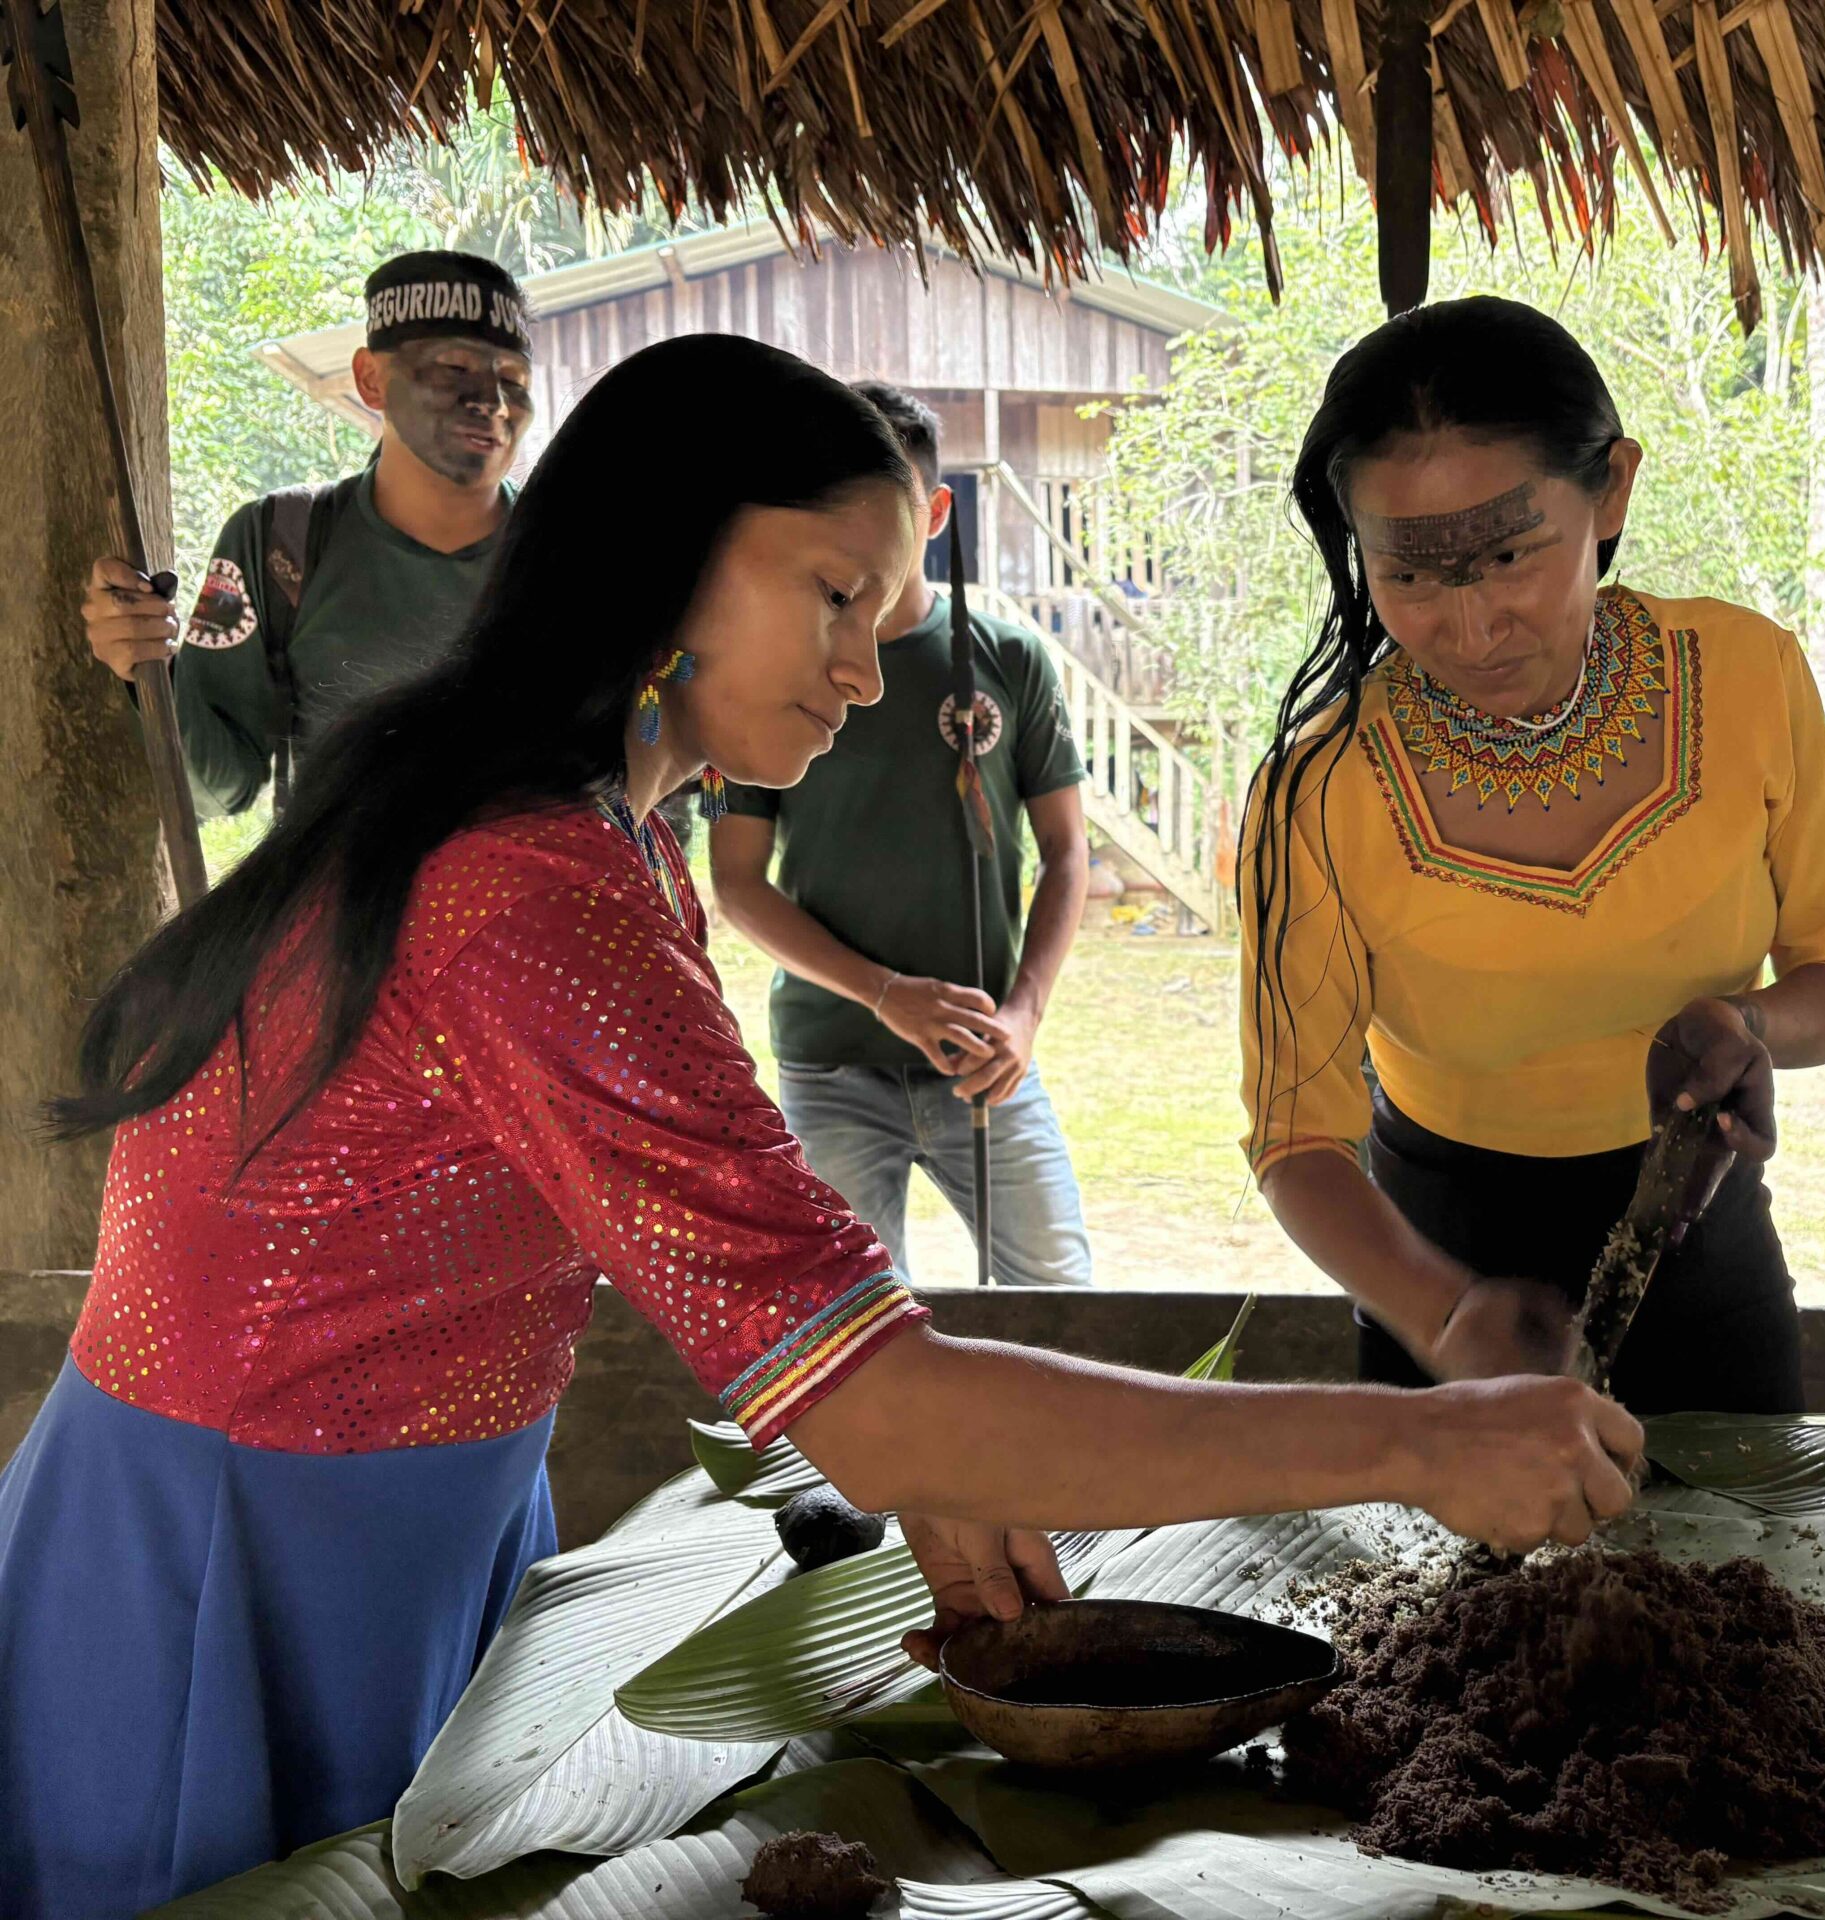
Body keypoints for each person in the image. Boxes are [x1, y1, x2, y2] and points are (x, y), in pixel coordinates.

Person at [0, 336, 1640, 1920]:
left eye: (886, 613)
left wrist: (935, 1448)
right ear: (662, 559)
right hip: (230, 1560)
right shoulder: (523, 890)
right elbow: (871, 1401)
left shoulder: (578, 837)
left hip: (402, 1521)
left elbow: (790, 1290)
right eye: (835, 597)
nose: (865, 670)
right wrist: (1425, 1443)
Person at [1239, 298, 1825, 1417]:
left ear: (1611, 489)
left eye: (1509, 554)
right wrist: (1445, 1315)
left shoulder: (1747, 679)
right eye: (1408, 576)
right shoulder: (1320, 788)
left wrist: (1753, 1028)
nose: (1471, 625)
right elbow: (1295, 1136)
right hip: (1436, 1272)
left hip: (1707, 1255)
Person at [713, 383, 1093, 1286]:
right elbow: (736, 884)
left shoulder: (1008, 657)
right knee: (849, 1332)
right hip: (832, 1064)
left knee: (1066, 1297)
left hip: (983, 1062)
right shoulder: (776, 666)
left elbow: (1070, 854)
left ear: (933, 511)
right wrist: (885, 994)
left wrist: (1024, 1016)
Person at [80, 250, 535, 818]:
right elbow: (217, 792)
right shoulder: (279, 544)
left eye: (513, 380)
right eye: (454, 370)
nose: (491, 403)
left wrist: (679, 671)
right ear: (371, 378)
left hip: (537, 903)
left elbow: (640, 770)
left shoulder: (575, 556)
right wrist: (144, 664)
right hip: (345, 904)